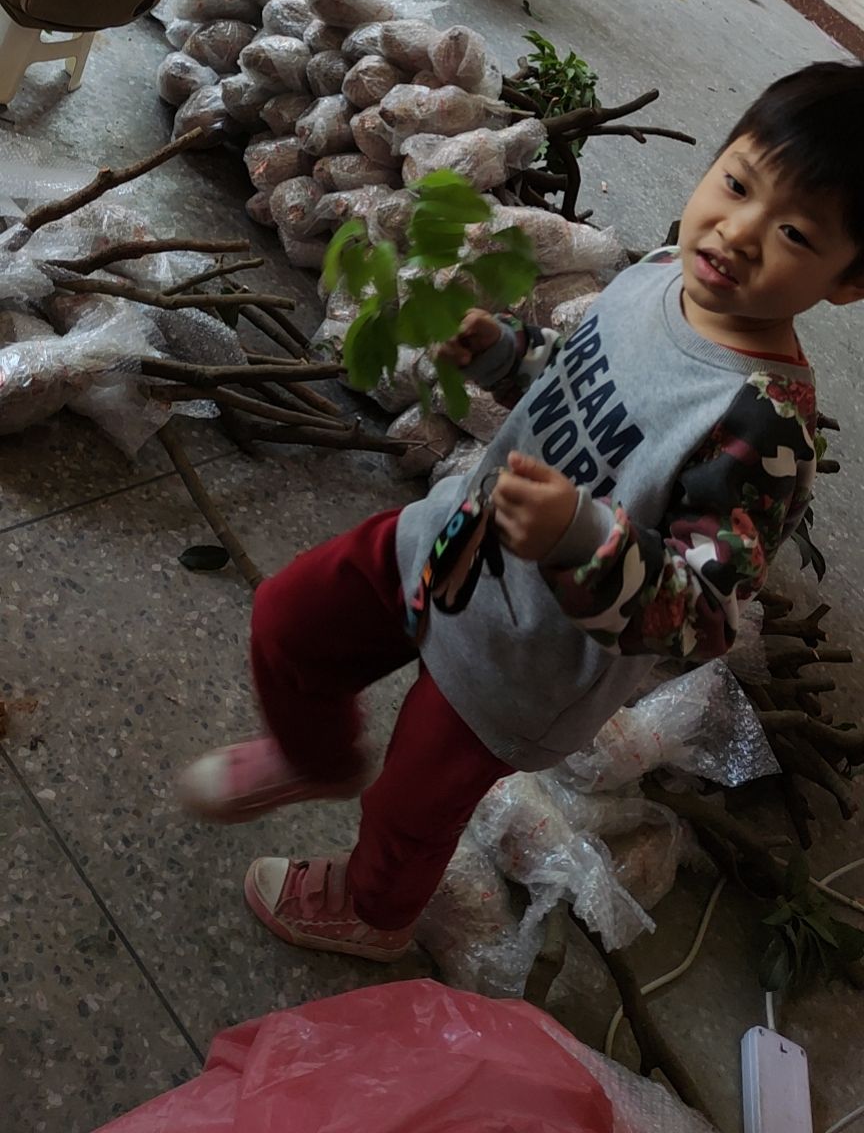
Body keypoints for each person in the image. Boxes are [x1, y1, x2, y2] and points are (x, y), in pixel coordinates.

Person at [180, 61, 864, 961]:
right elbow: (581, 370)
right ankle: (317, 755)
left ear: (851, 283)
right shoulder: (660, 271)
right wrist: (508, 355)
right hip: (453, 539)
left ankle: (374, 914)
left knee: (411, 808)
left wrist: (579, 539)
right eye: (736, 184)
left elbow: (694, 620)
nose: (736, 232)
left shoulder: (763, 428)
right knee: (290, 618)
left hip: (527, 662)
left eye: (794, 233)